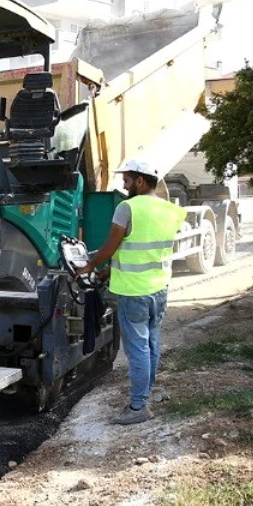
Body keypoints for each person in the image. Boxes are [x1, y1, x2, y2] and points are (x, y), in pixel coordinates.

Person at [76, 159, 187, 425]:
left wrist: (89, 265)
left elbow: (111, 246)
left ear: (140, 181)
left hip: (133, 292)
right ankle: (145, 394)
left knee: (137, 348)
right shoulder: (170, 210)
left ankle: (138, 407)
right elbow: (145, 248)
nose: (123, 185)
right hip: (158, 288)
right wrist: (109, 271)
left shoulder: (127, 208)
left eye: (126, 180)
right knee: (152, 343)